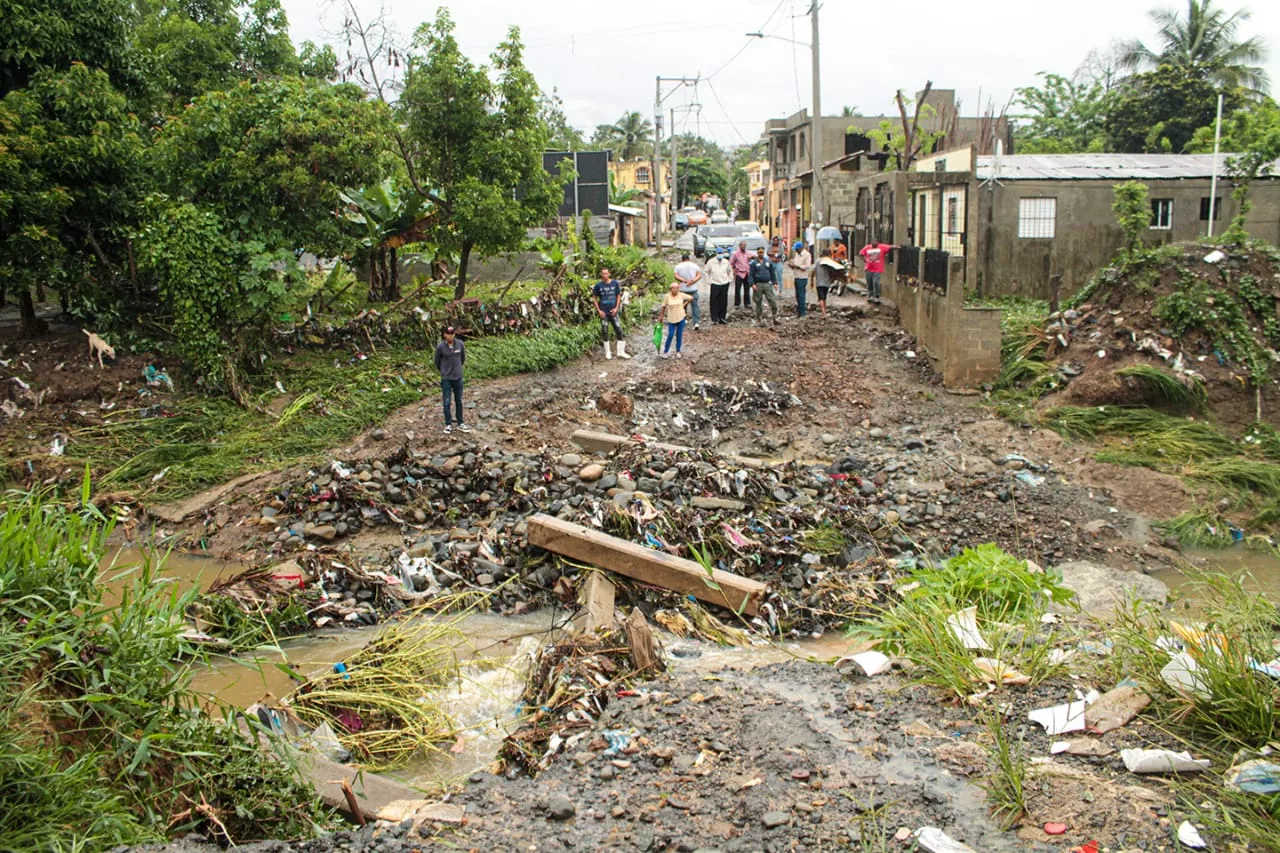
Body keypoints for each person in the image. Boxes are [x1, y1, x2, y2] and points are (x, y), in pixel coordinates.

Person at [434, 326, 469, 434]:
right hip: (446, 379)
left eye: (453, 334)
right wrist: (444, 371)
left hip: (458, 377)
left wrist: (457, 369)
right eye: (449, 334)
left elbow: (462, 359)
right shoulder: (440, 347)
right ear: (445, 335)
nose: (451, 336)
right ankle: (448, 424)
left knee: (459, 400)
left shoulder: (460, 344)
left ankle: (460, 422)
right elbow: (437, 362)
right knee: (447, 401)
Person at [591, 266, 631, 360]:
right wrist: (599, 311)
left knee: (619, 329)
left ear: (609, 274)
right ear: (601, 275)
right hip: (603, 312)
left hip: (613, 311)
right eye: (603, 273)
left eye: (606, 273)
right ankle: (607, 352)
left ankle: (621, 351)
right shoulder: (598, 286)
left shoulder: (615, 284)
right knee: (604, 330)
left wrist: (617, 308)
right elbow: (594, 298)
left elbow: (618, 296)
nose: (604, 275)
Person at [659, 281, 693, 358]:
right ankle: (665, 352)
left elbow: (691, 298)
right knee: (670, 335)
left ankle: (678, 351)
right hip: (671, 318)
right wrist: (661, 316)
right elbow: (663, 306)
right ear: (671, 289)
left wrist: (684, 305)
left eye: (677, 288)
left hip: (681, 317)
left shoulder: (681, 295)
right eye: (675, 288)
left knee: (679, 335)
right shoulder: (667, 296)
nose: (676, 290)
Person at [749, 246, 778, 327]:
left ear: (764, 252)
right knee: (758, 302)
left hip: (767, 284)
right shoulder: (754, 263)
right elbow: (750, 275)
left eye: (762, 252)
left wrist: (775, 283)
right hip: (758, 284)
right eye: (759, 252)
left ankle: (774, 317)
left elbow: (772, 273)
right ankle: (759, 318)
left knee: (772, 300)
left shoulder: (768, 261)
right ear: (757, 253)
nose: (760, 254)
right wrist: (752, 284)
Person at [673, 252, 703, 330]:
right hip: (693, 289)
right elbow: (699, 275)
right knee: (695, 306)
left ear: (682, 259)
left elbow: (676, 276)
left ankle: (683, 320)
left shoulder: (678, 266)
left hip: (682, 289)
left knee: (682, 306)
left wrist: (685, 281)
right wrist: (692, 281)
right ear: (689, 259)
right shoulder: (695, 266)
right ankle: (696, 323)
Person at [705, 247, 733, 324]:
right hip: (715, 283)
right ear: (716, 254)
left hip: (724, 283)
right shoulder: (711, 262)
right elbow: (706, 272)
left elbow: (730, 271)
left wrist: (729, 280)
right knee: (714, 301)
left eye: (721, 253)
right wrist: (709, 281)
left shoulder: (726, 262)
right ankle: (714, 318)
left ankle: (722, 317)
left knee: (723, 301)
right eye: (718, 253)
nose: (720, 255)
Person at [787, 240, 812, 318]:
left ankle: (802, 313)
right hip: (796, 276)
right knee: (797, 295)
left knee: (801, 295)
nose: (795, 250)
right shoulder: (797, 254)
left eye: (796, 249)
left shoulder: (807, 255)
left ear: (800, 248)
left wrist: (797, 267)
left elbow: (807, 266)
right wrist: (792, 265)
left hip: (802, 277)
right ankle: (799, 312)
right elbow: (795, 263)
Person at [814, 248, 838, 317]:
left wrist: (812, 280)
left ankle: (823, 312)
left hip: (819, 282)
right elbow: (832, 271)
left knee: (821, 297)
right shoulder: (829, 261)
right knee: (824, 297)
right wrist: (833, 278)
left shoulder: (817, 261)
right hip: (827, 282)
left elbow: (813, 270)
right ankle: (824, 311)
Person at [729, 240, 752, 310]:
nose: (743, 246)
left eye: (744, 245)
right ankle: (737, 304)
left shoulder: (748, 253)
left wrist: (752, 258)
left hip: (747, 273)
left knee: (747, 289)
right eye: (742, 245)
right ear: (739, 246)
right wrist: (734, 270)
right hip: (739, 273)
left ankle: (747, 303)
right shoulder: (736, 254)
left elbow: (755, 258)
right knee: (737, 289)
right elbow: (731, 263)